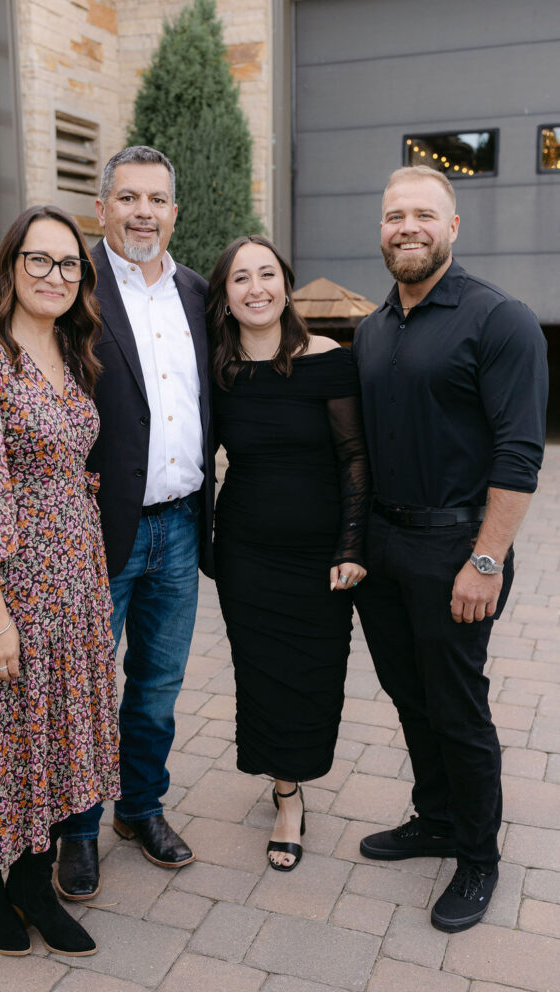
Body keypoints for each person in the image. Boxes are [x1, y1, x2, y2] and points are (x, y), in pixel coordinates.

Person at [353, 165, 548, 932]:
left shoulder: (499, 321)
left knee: (457, 708)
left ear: (452, 226)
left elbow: (518, 453)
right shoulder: (372, 329)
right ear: (380, 229)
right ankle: (434, 816)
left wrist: (486, 559)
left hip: (456, 549)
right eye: (394, 214)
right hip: (384, 547)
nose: (407, 227)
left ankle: (477, 857)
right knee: (409, 696)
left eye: (423, 215)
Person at [0, 205, 120, 956]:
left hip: (74, 582)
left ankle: (34, 877)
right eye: (38, 260)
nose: (55, 276)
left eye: (69, 264)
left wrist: (78, 488)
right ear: (9, 267)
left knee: (59, 731)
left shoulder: (72, 349)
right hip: (8, 587)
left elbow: (56, 454)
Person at [56, 146, 214, 898]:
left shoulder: (197, 293)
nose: (142, 212)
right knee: (84, 686)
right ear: (102, 208)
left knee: (156, 685)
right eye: (127, 199)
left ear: (173, 211)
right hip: (95, 530)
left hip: (180, 526)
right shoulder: (68, 288)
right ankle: (76, 832)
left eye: (155, 199)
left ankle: (140, 808)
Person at [207, 235, 370, 871]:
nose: (256, 288)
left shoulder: (329, 359)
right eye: (240, 278)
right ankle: (285, 796)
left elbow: (354, 456)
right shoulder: (216, 372)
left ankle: (297, 775)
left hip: (320, 556)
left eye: (267, 274)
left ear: (285, 283)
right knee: (262, 675)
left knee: (315, 673)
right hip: (246, 553)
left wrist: (352, 544)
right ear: (224, 296)